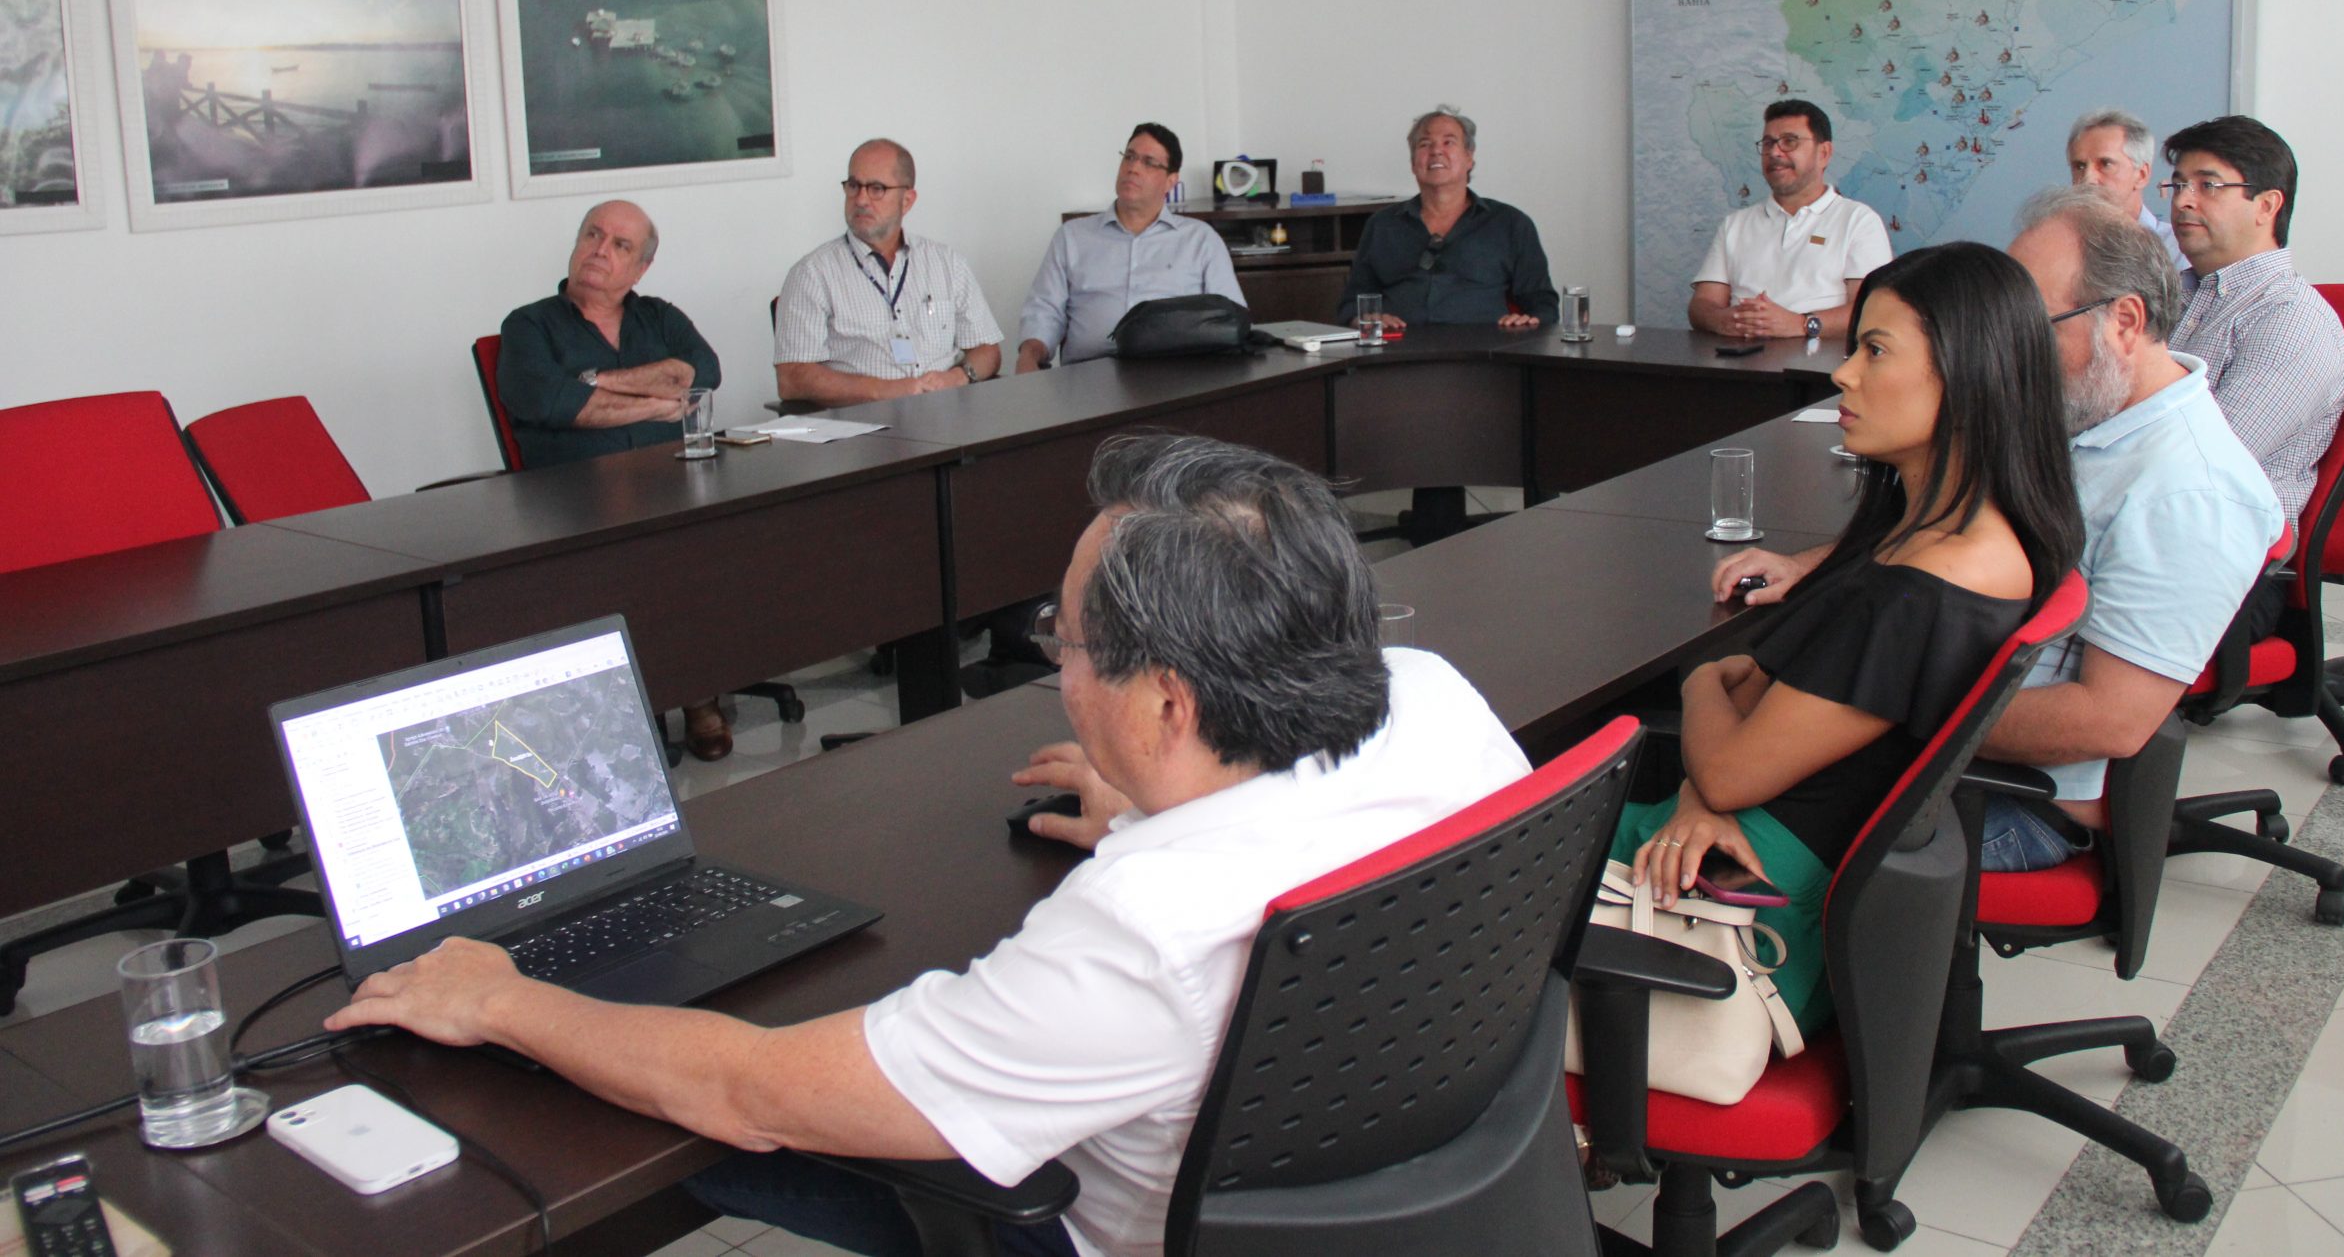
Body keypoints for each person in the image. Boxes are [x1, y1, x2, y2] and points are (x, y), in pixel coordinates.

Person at [324, 433, 1529, 1257]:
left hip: (1088, 1228)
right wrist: (1156, 800)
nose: (1058, 664)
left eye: (1065, 638)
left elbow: (750, 1092)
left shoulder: (1145, 924)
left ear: (1169, 704)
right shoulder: (1432, 697)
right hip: (1409, 1165)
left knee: (664, 1116)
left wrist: (502, 999)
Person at [1726, 186, 2283, 875]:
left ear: (2124, 322)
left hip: (2002, 800)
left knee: (1704, 762)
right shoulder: (2086, 414)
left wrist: (1875, 701)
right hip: (1929, 732)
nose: (2006, 351)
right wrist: (1819, 565)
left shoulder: (2190, 492)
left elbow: (2111, 720)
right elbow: (1952, 528)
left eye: (2031, 326)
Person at [1629, 241, 2083, 1030]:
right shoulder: (1950, 535)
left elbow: (1732, 769)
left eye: (1875, 350)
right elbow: (1767, 699)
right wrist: (1709, 770)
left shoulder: (1922, 589)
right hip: (1757, 841)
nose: (1844, 374)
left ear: (1967, 374)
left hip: (1749, 897)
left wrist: (1699, 676)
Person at [496, 200, 733, 758]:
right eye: (593, 235)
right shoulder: (529, 324)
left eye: (620, 245)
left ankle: (696, 688)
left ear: (641, 268)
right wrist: (655, 403)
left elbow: (703, 372)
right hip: (570, 497)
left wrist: (594, 381)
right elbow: (552, 402)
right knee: (639, 554)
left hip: (670, 483)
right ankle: (641, 711)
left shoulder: (660, 317)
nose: (600, 250)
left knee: (716, 540)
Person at [2161, 114, 2344, 529]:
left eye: (2207, 186)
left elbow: (2207, 462)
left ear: (2266, 206)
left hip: (2221, 537)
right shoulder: (2174, 295)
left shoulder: (2292, 319)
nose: (2182, 202)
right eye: (2178, 185)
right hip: (2149, 510)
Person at [775, 139, 1003, 404]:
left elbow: (987, 349)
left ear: (907, 201)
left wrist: (958, 377)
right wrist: (884, 391)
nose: (861, 199)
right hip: (866, 419)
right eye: (854, 186)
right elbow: (792, 378)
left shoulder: (946, 263)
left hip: (946, 410)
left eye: (876, 189)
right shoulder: (813, 274)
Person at [1015, 125, 1243, 371]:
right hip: (1088, 376)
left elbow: (1231, 319)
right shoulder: (1072, 237)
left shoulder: (1201, 240)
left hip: (1174, 375)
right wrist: (1029, 354)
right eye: (1129, 157)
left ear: (1171, 181)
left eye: (1149, 162)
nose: (1133, 168)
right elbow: (1044, 311)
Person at [1335, 104, 1559, 332]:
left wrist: (1529, 320)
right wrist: (1363, 319)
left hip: (1485, 348)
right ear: (1413, 163)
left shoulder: (1510, 223)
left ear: (1469, 157)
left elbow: (1543, 303)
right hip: (1399, 347)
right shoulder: (1383, 225)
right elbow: (1351, 304)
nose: (1436, 151)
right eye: (1425, 144)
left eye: (1448, 142)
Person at [1688, 99, 1892, 344]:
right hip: (1739, 360)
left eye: (1789, 141)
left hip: (1821, 365)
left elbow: (1872, 312)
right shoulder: (1735, 225)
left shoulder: (1858, 221)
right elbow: (1702, 304)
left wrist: (1799, 324)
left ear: (1824, 153)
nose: (1775, 153)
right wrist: (1722, 320)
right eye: (1768, 143)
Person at [2064, 107, 2177, 256]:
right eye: (2079, 166)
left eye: (2105, 164)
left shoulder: (2179, 251)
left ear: (2141, 175)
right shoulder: (2059, 249)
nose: (2088, 178)